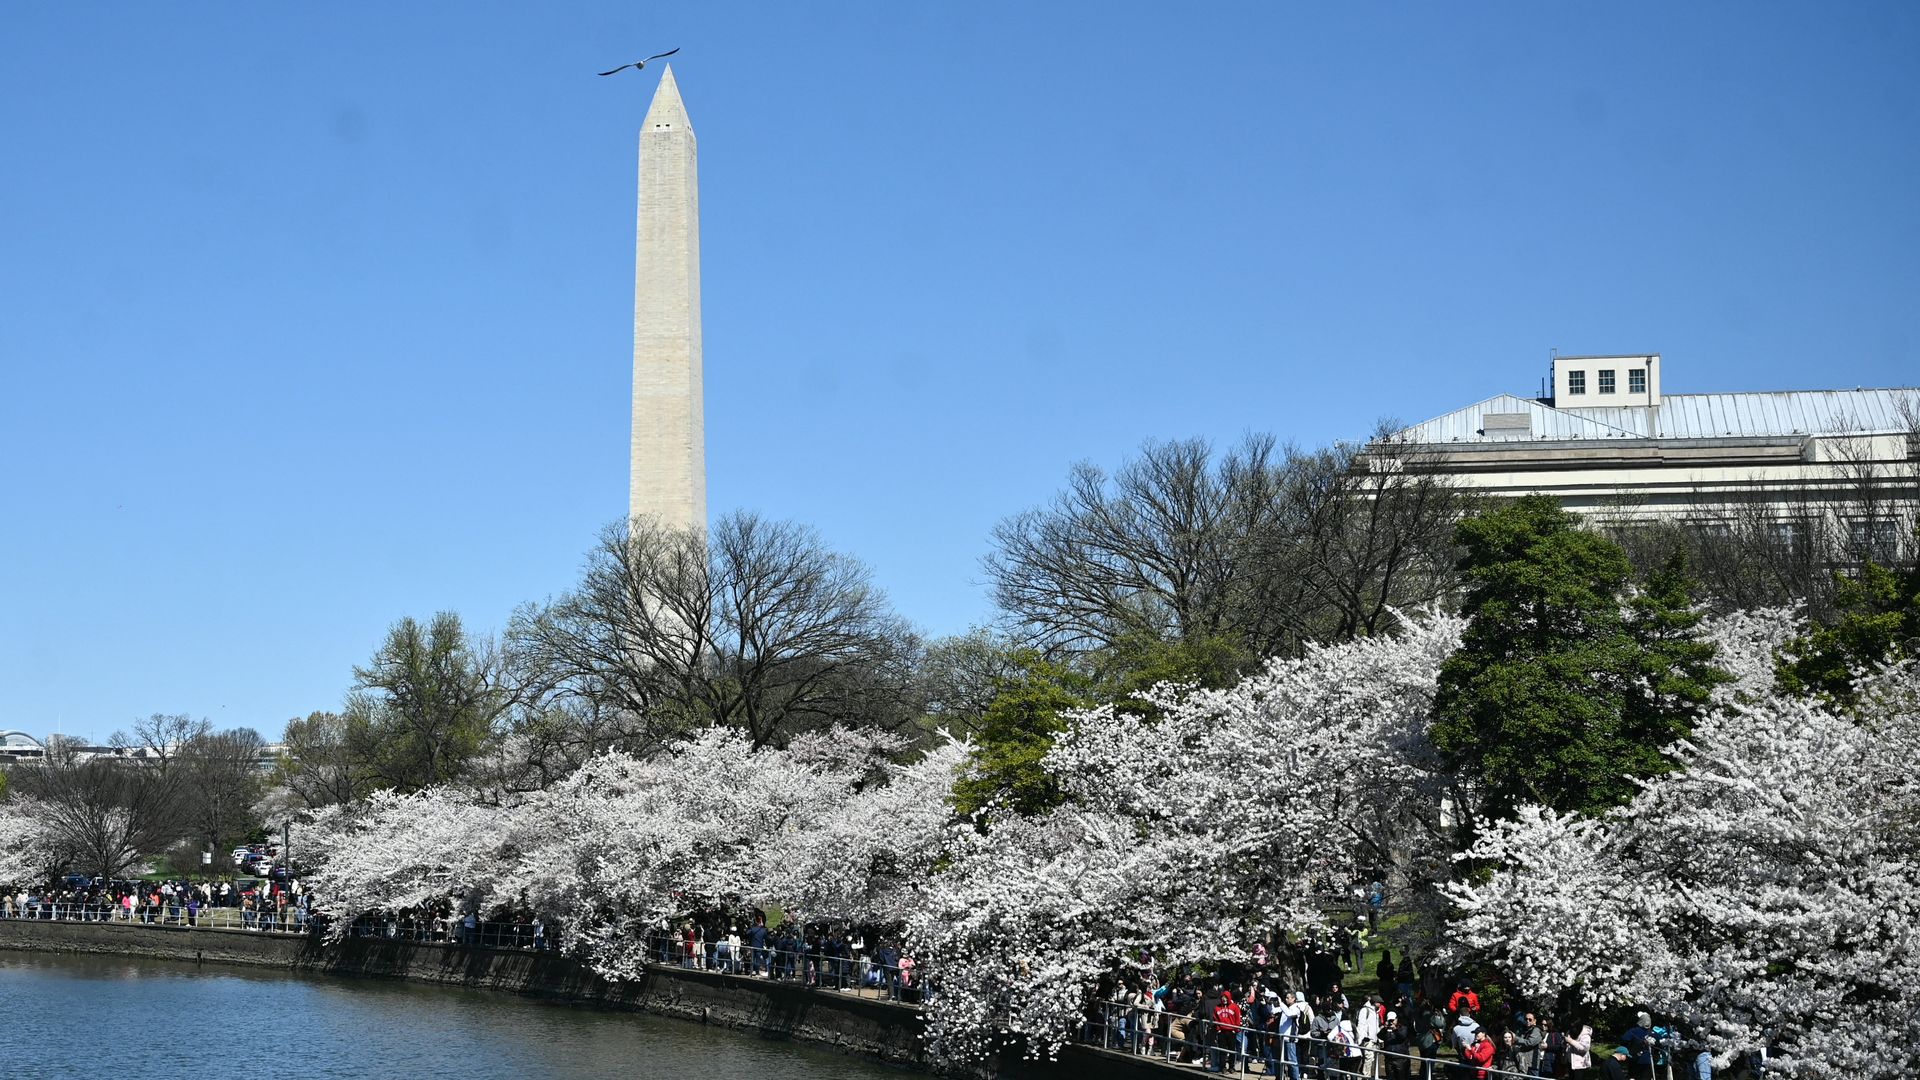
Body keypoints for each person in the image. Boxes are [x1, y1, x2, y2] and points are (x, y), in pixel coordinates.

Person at [1515, 1012, 1545, 1076]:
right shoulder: (1526, 1030)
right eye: (1526, 1019)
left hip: (1532, 1064)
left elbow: (1530, 1042)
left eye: (1530, 1019)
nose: (1527, 1021)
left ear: (1534, 1021)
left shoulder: (1536, 1030)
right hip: (1524, 1063)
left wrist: (1516, 1039)